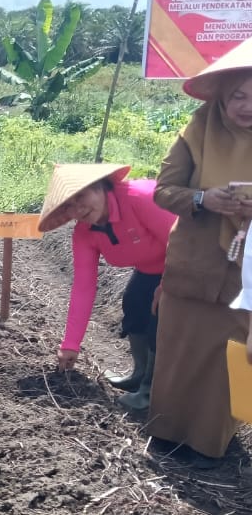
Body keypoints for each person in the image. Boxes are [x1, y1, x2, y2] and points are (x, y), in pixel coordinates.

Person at [148, 36, 252, 466]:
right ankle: (168, 432)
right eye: (239, 96)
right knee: (180, 350)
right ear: (223, 98)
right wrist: (202, 200)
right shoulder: (196, 132)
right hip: (194, 260)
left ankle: (212, 443)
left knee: (228, 357)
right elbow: (162, 191)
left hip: (244, 272)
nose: (247, 106)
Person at [38, 163, 174, 410]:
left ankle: (151, 392)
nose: (78, 208)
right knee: (133, 304)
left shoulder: (140, 198)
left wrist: (167, 284)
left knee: (161, 318)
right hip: (150, 267)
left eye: (81, 196)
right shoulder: (85, 232)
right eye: (69, 204)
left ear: (101, 187)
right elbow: (83, 287)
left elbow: (180, 242)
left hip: (189, 263)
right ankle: (140, 374)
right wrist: (70, 345)